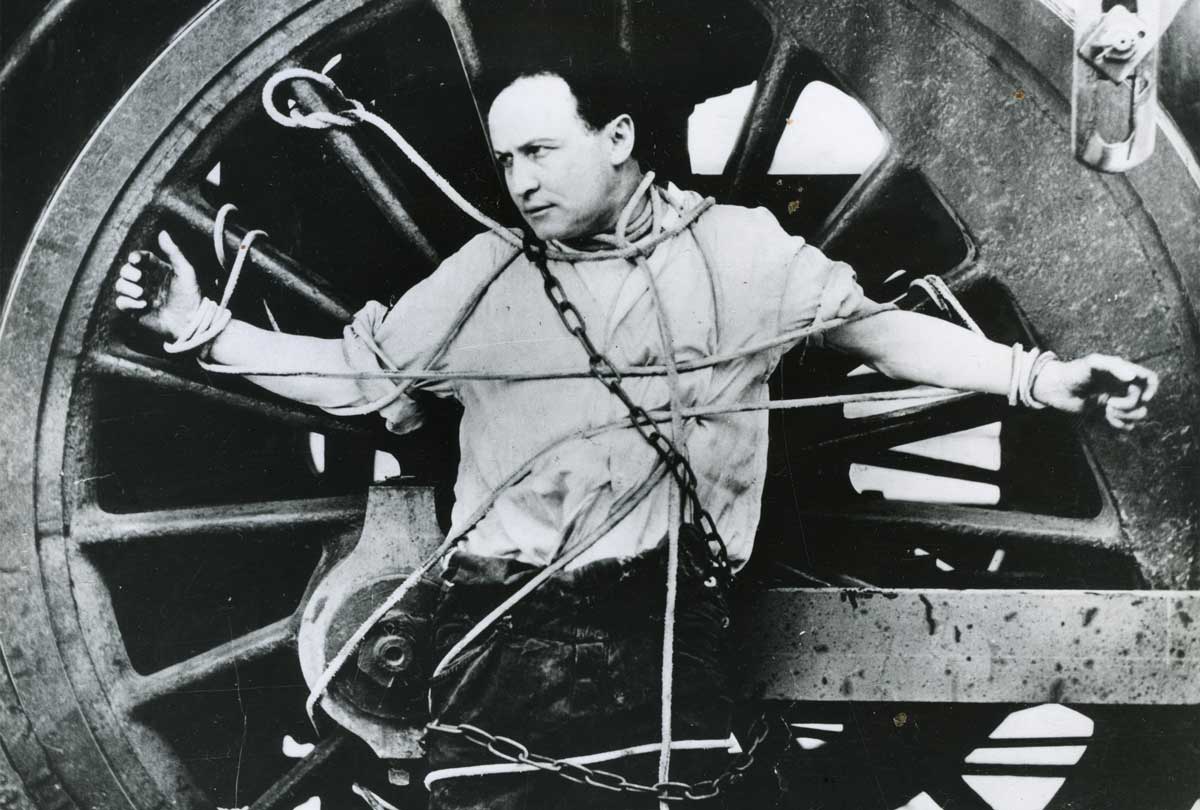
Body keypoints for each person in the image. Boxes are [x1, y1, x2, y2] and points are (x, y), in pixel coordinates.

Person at [113, 55, 1157, 809]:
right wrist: (196, 325)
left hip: (667, 624)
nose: (519, 179)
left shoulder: (744, 256)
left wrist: (1037, 379)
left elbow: (880, 337)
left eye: (540, 150)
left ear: (617, 141)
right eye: (505, 157)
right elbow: (358, 376)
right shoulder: (486, 274)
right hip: (505, 632)